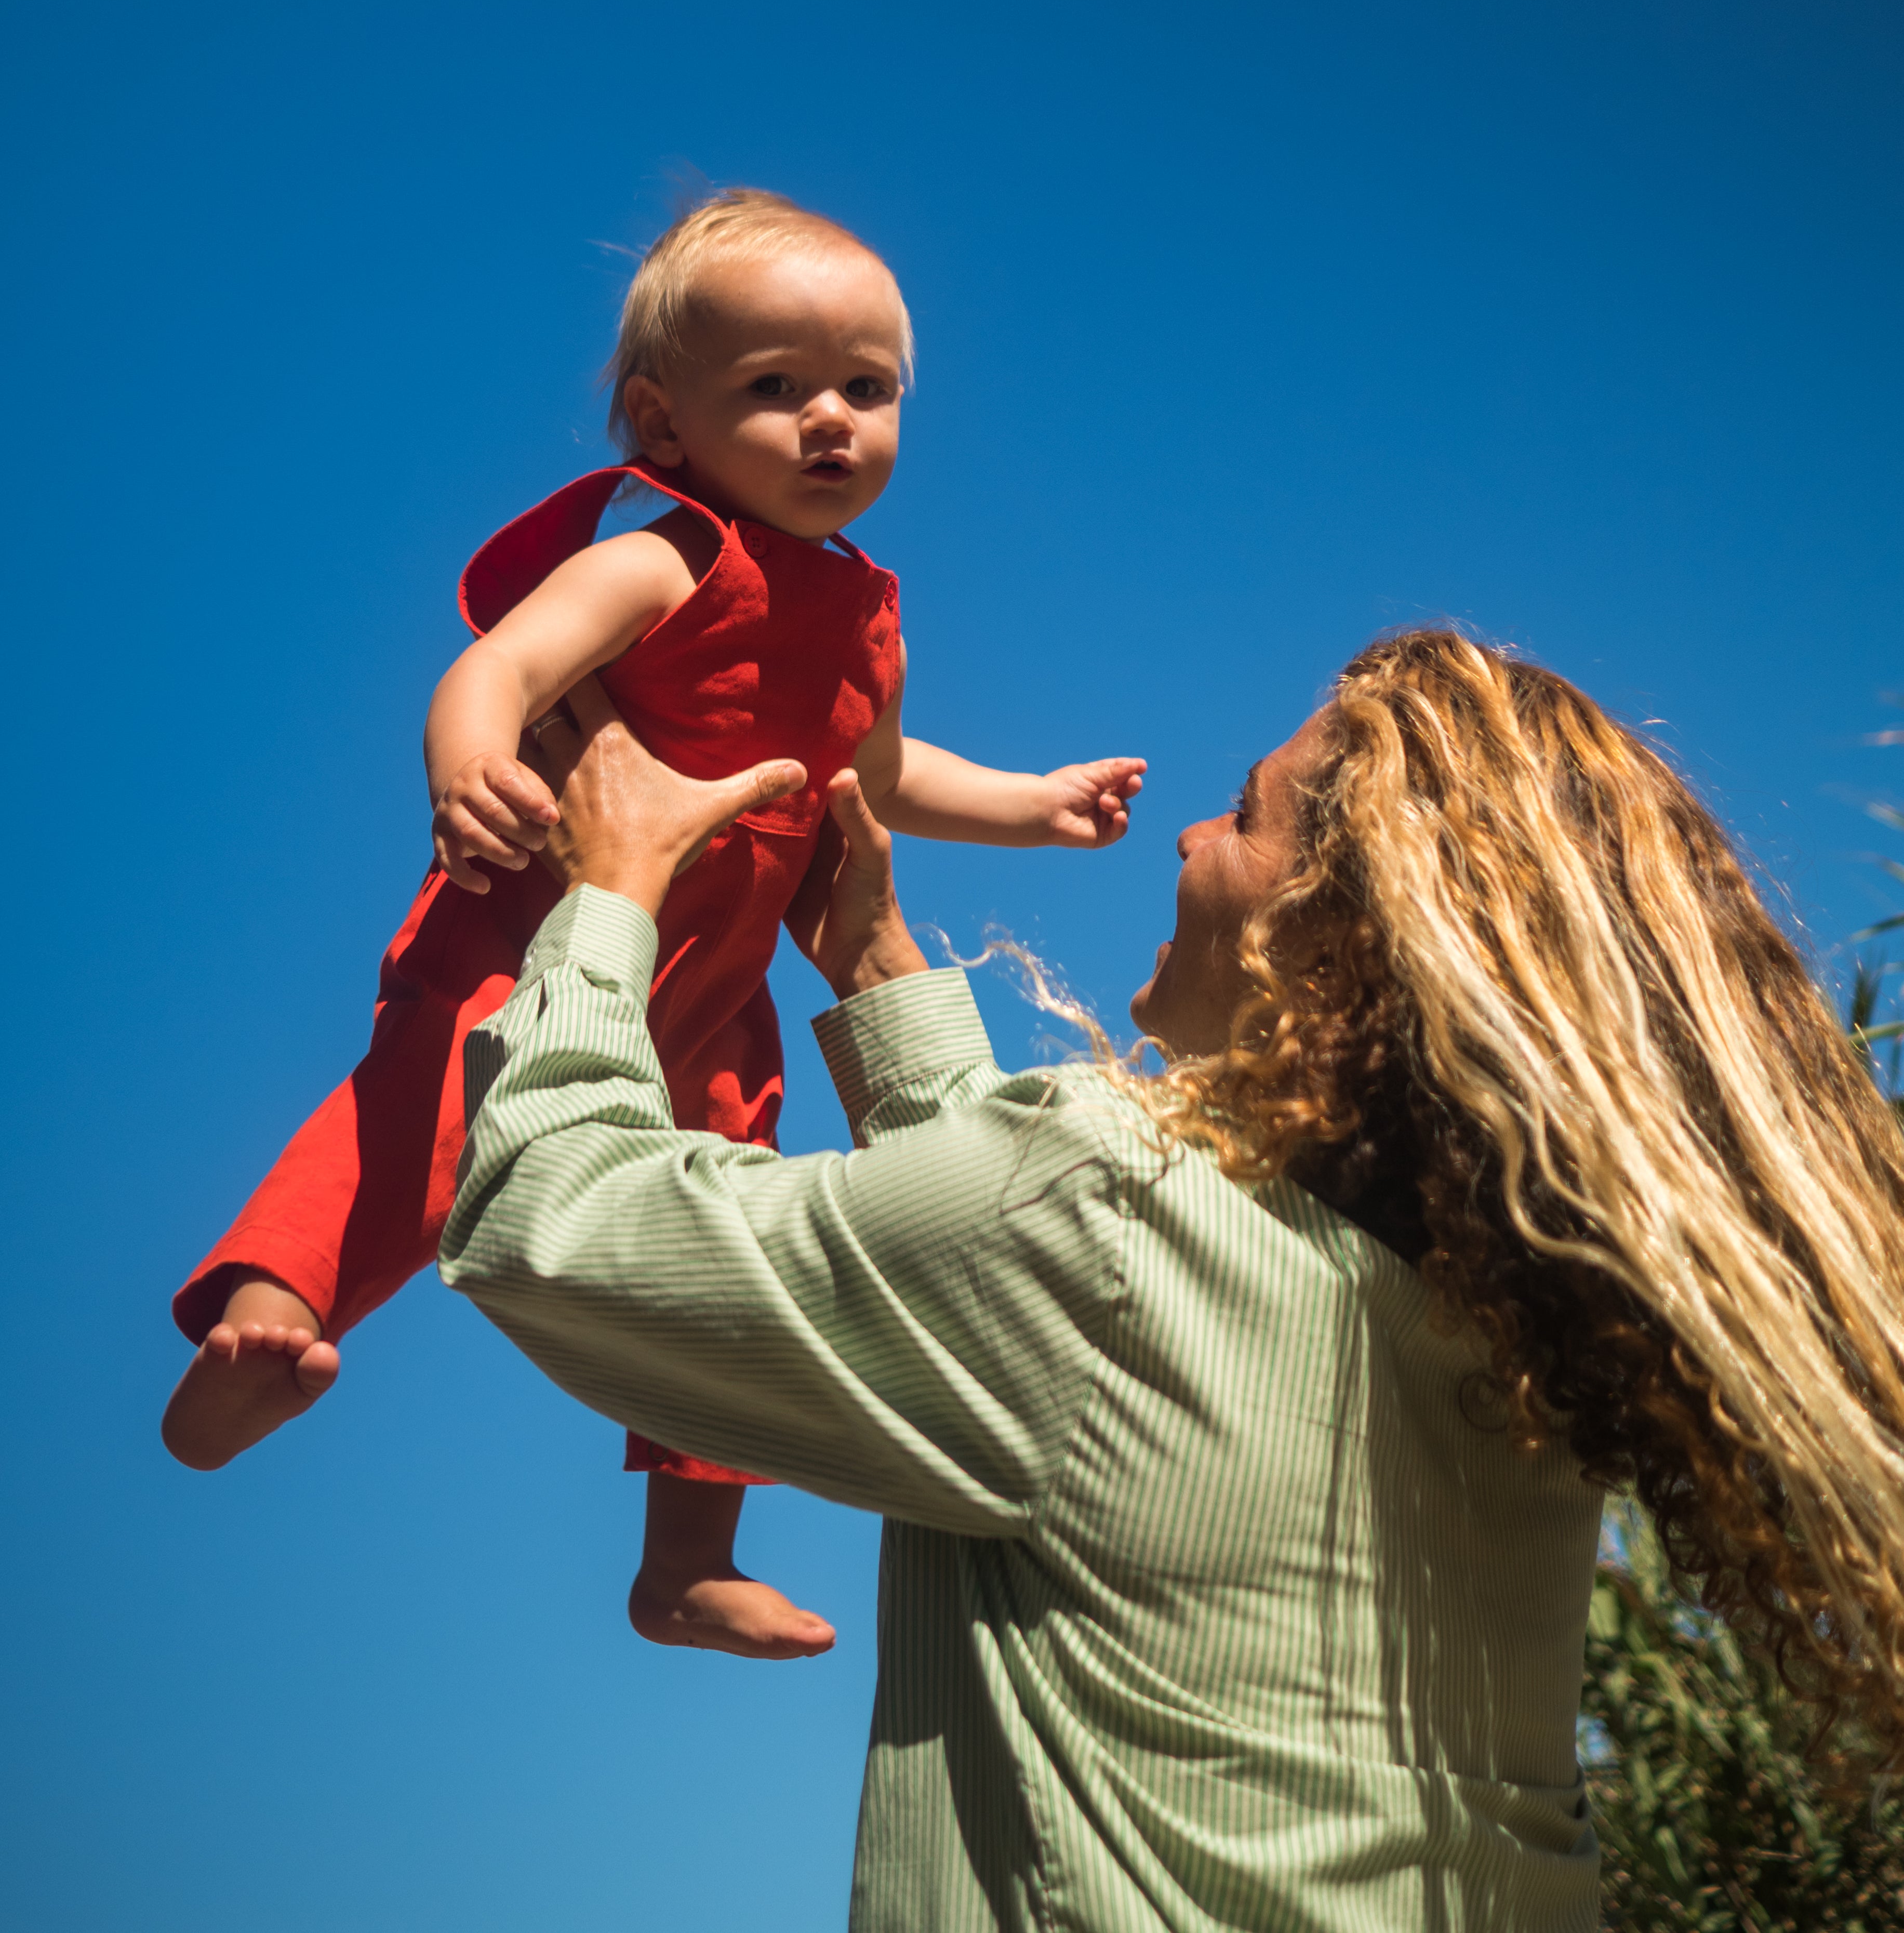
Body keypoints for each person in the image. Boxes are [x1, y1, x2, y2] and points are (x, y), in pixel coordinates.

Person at [439, 632, 1904, 1931]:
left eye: (1248, 817)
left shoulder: (1106, 1213)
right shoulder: (1504, 1362)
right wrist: (877, 971)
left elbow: (548, 1224)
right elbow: (1098, 1332)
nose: (1190, 836)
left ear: (1340, 939)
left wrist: (609, 891)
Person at [160, 189, 1144, 1660]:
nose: (832, 422)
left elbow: (875, 772)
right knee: (421, 1116)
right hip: (542, 926)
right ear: (659, 421)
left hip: (719, 982)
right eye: (775, 389)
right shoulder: (663, 560)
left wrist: (1030, 804)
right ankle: (267, 1309)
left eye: (867, 391)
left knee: (726, 1229)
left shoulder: (867, 610)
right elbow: (497, 666)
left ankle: (684, 1561)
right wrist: (469, 767)